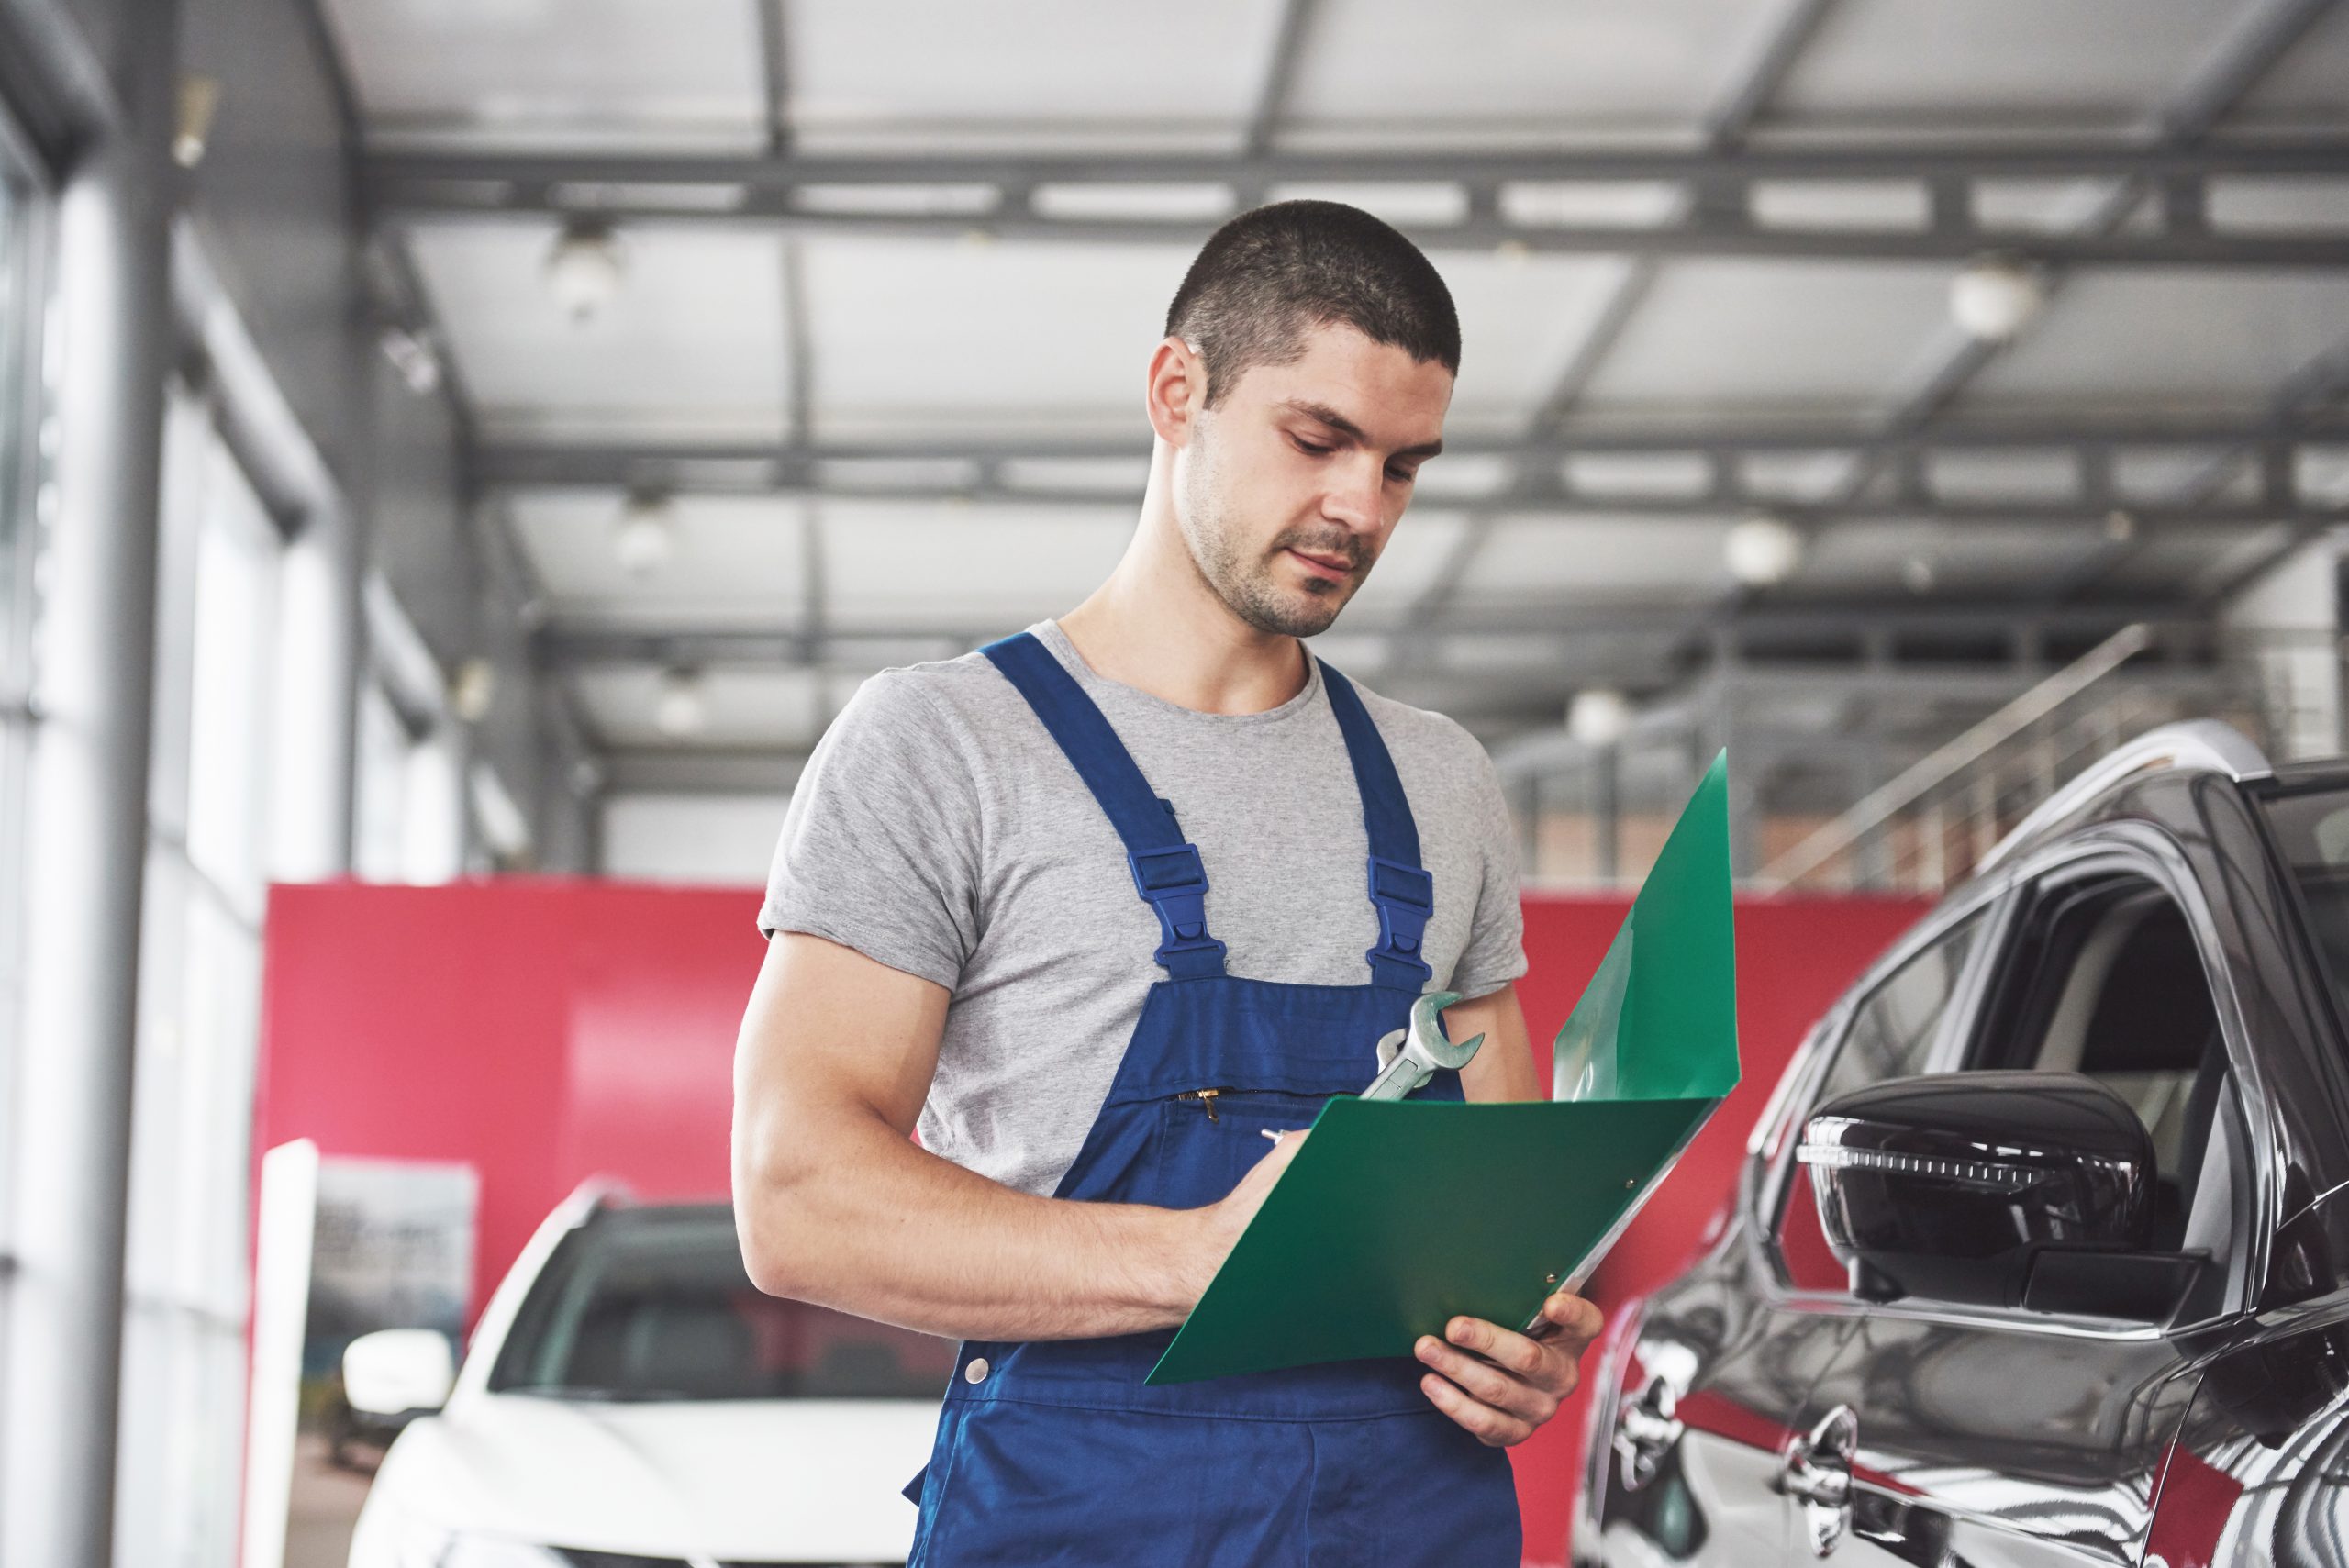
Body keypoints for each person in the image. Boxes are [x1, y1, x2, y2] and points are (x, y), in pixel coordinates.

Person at [733, 199, 1602, 1565]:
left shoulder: (1443, 783)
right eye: (1317, 441)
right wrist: (1195, 1256)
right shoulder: (942, 744)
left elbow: (1505, 1223)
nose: (1359, 509)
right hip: (1076, 1519)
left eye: (1404, 467)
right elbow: (796, 1200)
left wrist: (1523, 1344)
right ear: (1175, 390)